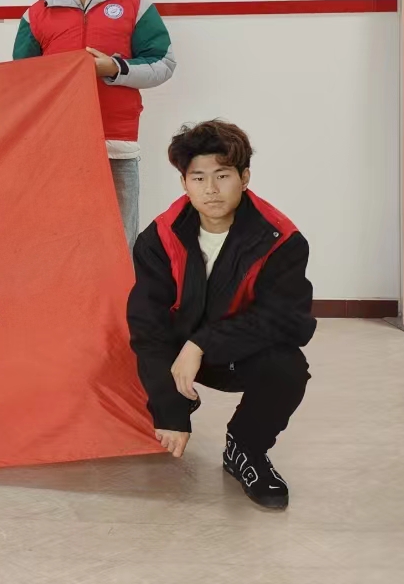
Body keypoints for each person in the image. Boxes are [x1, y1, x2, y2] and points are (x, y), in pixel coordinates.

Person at [127, 121, 315, 509]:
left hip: (234, 353)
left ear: (244, 178)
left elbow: (289, 321)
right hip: (175, 351)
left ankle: (245, 449)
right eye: (198, 178)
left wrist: (202, 343)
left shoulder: (280, 238)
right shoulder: (159, 237)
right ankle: (159, 411)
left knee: (287, 368)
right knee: (107, 349)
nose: (210, 189)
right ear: (184, 183)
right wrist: (170, 409)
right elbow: (148, 325)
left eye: (222, 175)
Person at [12, 0, 175, 246]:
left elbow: (163, 63)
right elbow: (21, 78)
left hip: (116, 142)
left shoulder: (136, 8)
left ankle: (122, 285)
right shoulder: (37, 14)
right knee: (60, 238)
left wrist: (114, 69)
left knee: (119, 240)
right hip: (58, 144)